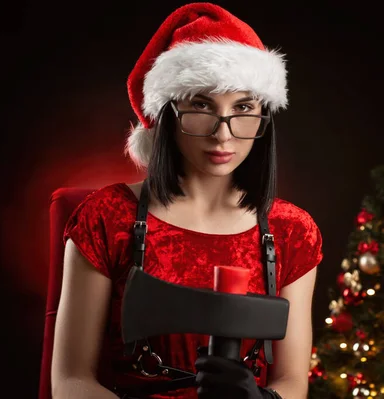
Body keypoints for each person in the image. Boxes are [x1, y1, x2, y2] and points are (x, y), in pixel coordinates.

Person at [50, 2, 323, 399]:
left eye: (243, 107)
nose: (223, 134)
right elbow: (71, 381)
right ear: (166, 115)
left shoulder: (290, 231)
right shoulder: (107, 218)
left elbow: (293, 382)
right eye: (201, 105)